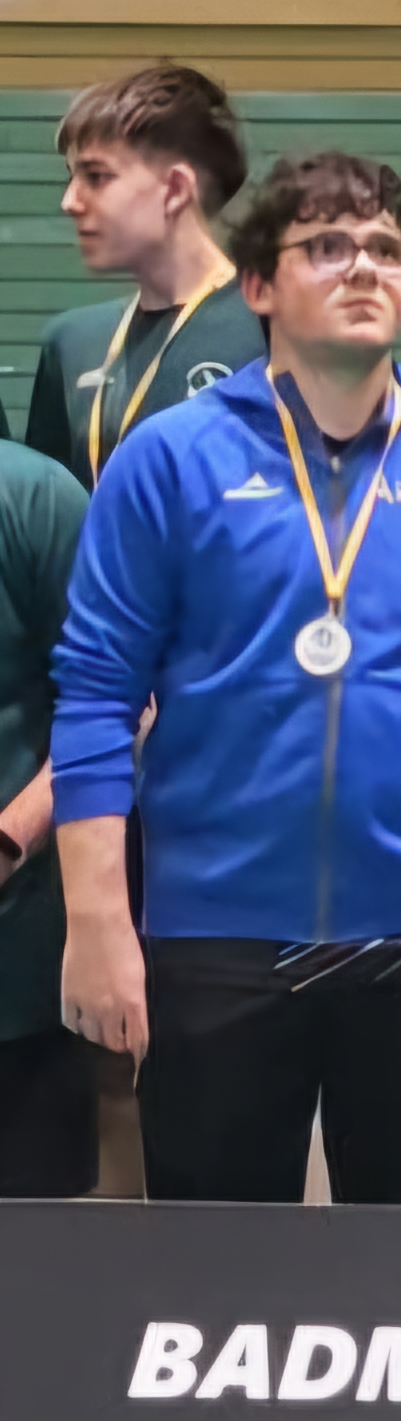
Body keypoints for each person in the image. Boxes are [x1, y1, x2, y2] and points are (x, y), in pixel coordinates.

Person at [50, 152, 401, 1205]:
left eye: (387, 249)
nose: (362, 268)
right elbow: (98, 696)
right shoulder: (169, 461)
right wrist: (99, 925)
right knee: (222, 1289)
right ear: (259, 286)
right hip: (215, 943)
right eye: (326, 247)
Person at [29, 63, 267, 487]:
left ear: (175, 189)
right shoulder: (71, 344)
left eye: (96, 177)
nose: (69, 201)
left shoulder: (275, 333)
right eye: (71, 177)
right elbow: (44, 527)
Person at [0, 440, 92, 1192]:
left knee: (33, 1269)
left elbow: (113, 710)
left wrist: (9, 837)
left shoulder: (35, 498)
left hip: (17, 974)